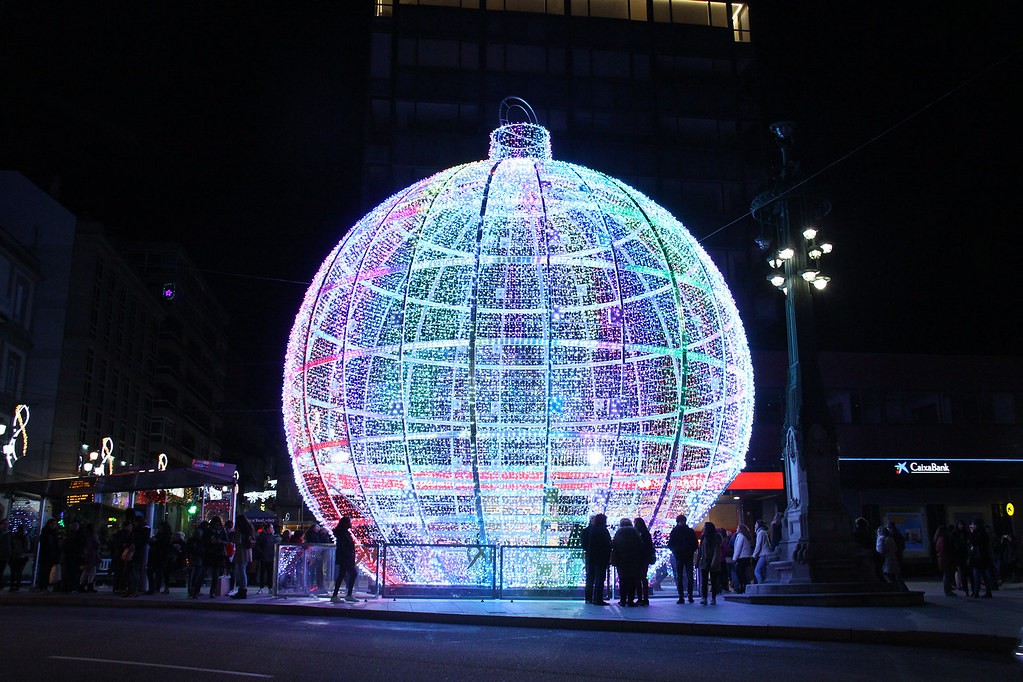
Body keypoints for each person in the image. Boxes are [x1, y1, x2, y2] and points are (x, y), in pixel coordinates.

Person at [611, 517, 643, 607]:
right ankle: (630, 600)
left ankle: (622, 600)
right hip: (633, 560)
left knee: (623, 580)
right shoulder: (634, 532)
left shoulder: (618, 533)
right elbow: (640, 545)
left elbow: (614, 545)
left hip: (621, 560)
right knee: (632, 580)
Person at [667, 514, 697, 604]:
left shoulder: (675, 531)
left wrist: (675, 552)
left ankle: (681, 596)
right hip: (687, 556)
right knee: (689, 576)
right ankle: (689, 595)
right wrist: (690, 551)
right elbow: (695, 544)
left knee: (679, 576)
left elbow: (670, 544)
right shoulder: (690, 531)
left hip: (679, 556)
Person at [330, 516, 359, 603]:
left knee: (342, 575)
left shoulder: (344, 533)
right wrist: (348, 554)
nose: (351, 524)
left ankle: (336, 595)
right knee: (352, 574)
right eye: (349, 522)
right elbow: (343, 546)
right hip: (346, 558)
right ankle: (347, 595)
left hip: (346, 557)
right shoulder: (343, 534)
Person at [586, 514, 612, 606]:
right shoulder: (603, 530)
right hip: (601, 558)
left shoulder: (592, 530)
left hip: (592, 557)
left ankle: (590, 598)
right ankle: (598, 599)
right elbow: (607, 543)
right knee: (600, 579)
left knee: (591, 578)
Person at [202, 515, 228, 598]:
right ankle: (212, 591)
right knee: (215, 573)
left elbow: (204, 541)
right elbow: (226, 541)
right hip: (217, 553)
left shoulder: (209, 530)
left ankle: (197, 590)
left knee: (205, 572)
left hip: (211, 553)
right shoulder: (221, 530)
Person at [967, 519, 994, 598]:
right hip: (983, 557)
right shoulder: (983, 533)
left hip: (979, 557)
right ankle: (987, 591)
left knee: (977, 575)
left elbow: (974, 542)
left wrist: (971, 534)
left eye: (973, 525)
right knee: (983, 575)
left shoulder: (979, 534)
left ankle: (976, 592)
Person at [231, 514, 256, 599]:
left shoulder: (239, 530)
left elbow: (238, 541)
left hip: (241, 551)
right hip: (248, 551)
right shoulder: (249, 528)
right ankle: (243, 589)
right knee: (243, 570)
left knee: (241, 571)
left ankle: (242, 589)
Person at [696, 521, 722, 604]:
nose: (703, 528)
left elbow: (716, 550)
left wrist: (714, 562)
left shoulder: (716, 537)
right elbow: (700, 550)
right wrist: (697, 561)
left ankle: (713, 598)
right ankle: (704, 597)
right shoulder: (704, 537)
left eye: (704, 527)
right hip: (704, 560)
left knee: (713, 580)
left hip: (711, 561)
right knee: (704, 580)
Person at [876, 525, 908, 592]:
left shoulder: (883, 539)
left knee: (890, 576)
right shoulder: (890, 538)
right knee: (895, 575)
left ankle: (897, 589)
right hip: (893, 558)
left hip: (887, 560)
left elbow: (880, 550)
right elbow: (895, 549)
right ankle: (901, 589)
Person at [633, 517, 655, 606]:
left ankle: (641, 598)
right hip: (644, 558)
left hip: (640, 558)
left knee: (639, 578)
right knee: (642, 578)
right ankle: (644, 598)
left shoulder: (639, 533)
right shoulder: (645, 533)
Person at [147, 521, 172, 595]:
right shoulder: (159, 535)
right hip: (157, 556)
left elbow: (163, 545)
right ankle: (154, 588)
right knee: (154, 572)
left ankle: (155, 588)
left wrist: (155, 541)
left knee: (158, 573)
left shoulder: (165, 537)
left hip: (161, 556)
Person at [254, 522, 280, 595]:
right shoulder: (264, 537)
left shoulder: (271, 537)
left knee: (269, 573)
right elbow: (258, 546)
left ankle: (269, 588)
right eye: (271, 528)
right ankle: (264, 588)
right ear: (268, 529)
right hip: (265, 557)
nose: (272, 529)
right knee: (264, 573)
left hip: (268, 557)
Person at [35, 518, 60, 592]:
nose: (53, 525)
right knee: (44, 572)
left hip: (50, 555)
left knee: (47, 572)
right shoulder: (46, 533)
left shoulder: (53, 533)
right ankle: (41, 586)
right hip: (46, 555)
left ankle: (43, 586)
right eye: (52, 524)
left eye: (55, 524)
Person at [933, 524, 956, 597]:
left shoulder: (938, 538)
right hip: (946, 559)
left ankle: (947, 590)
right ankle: (947, 591)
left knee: (946, 575)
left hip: (942, 558)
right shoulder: (944, 538)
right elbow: (944, 550)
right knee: (948, 575)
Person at [79, 523, 101, 593]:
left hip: (87, 554)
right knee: (91, 570)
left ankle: (82, 585)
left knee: (86, 570)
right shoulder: (92, 536)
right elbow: (96, 545)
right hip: (92, 555)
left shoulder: (85, 536)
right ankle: (89, 585)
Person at [8, 525, 31, 591]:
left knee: (14, 572)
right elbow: (27, 547)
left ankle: (13, 586)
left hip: (16, 556)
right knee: (18, 572)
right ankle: (16, 585)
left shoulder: (16, 536)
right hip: (19, 557)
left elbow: (12, 546)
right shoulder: (24, 537)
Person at [731, 524, 753, 594]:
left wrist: (734, 558)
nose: (736, 529)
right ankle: (745, 586)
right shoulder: (744, 537)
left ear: (740, 529)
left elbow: (738, 548)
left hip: (742, 557)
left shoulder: (740, 537)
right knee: (744, 573)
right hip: (746, 557)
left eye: (738, 528)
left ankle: (742, 587)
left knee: (740, 573)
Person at [579, 515, 595, 603]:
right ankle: (593, 598)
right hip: (595, 557)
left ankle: (588, 598)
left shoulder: (586, 531)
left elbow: (583, 544)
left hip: (589, 556)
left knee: (590, 578)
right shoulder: (598, 530)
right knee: (595, 578)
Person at [752, 519, 772, 584]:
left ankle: (761, 585)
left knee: (757, 571)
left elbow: (758, 546)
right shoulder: (763, 532)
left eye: (756, 524)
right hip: (766, 554)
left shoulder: (760, 533)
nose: (755, 525)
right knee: (762, 571)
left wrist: (754, 555)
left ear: (758, 525)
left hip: (764, 554)